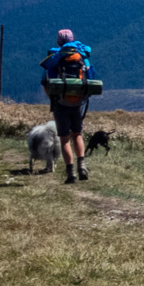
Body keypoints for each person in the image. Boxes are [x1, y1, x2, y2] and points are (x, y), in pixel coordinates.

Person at [40, 28, 97, 185]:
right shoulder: (81, 56)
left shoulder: (55, 57)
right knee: (77, 134)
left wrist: (53, 98)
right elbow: (90, 78)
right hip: (77, 102)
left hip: (60, 102)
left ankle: (70, 173)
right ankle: (82, 167)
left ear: (58, 41)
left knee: (64, 139)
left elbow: (45, 81)